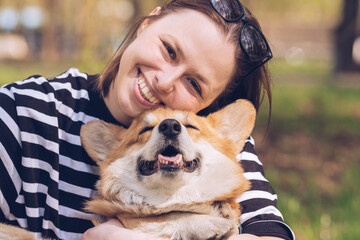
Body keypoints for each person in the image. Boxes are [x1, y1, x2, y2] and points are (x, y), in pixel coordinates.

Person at [0, 0, 295, 239]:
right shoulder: (22, 112)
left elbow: (269, 234)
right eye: (168, 50)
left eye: (194, 84)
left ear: (209, 105)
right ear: (147, 24)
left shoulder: (209, 142)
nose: (165, 81)